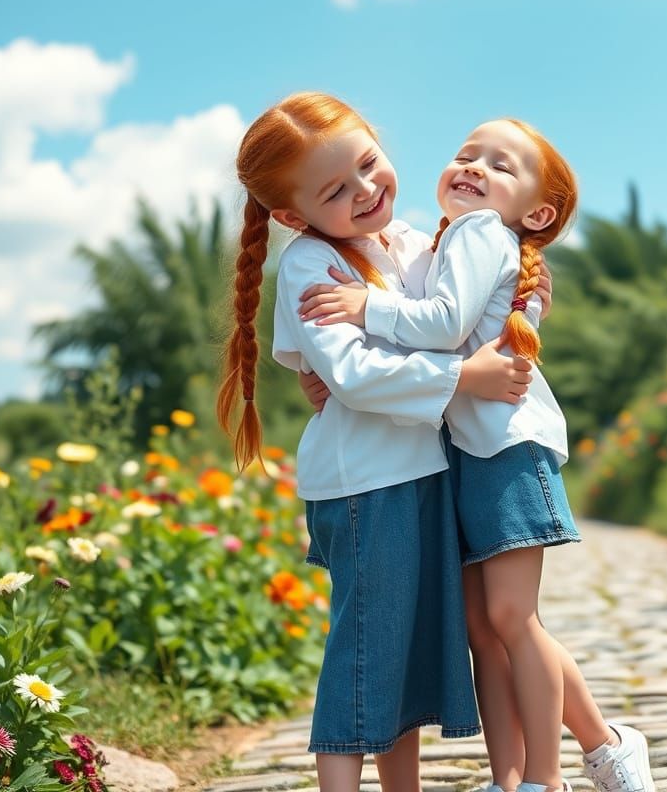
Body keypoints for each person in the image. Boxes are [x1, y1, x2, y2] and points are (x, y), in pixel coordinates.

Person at [298, 118, 657, 792]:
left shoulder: (481, 232)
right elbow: (430, 325)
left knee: (509, 619)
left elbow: (443, 324)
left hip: (508, 446)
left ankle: (546, 779)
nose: (474, 166)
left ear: (537, 210)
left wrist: (362, 307)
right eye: (466, 154)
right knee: (485, 628)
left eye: (500, 164)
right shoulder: (442, 242)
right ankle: (523, 771)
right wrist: (322, 369)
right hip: (462, 452)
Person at [216, 93, 539, 792]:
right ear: (293, 216)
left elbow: (459, 312)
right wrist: (463, 379)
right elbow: (357, 375)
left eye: (368, 163)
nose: (365, 190)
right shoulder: (309, 263)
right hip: (366, 483)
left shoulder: (404, 241)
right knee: (366, 654)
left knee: (407, 658)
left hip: (418, 470)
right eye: (336, 190)